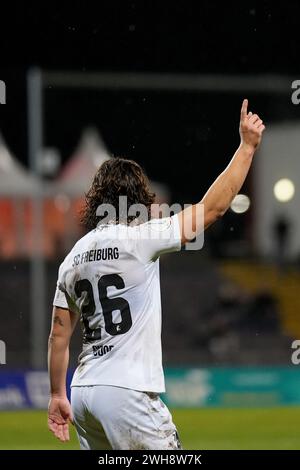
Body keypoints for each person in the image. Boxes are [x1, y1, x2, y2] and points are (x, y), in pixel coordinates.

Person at [48, 99, 265, 449]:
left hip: (84, 392)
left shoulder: (72, 258)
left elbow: (59, 335)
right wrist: (246, 147)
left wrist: (57, 393)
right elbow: (213, 208)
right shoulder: (140, 239)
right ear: (140, 200)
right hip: (127, 392)